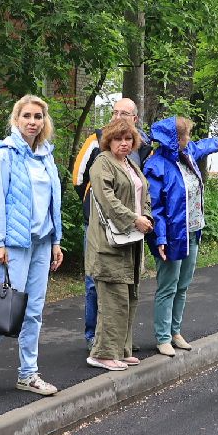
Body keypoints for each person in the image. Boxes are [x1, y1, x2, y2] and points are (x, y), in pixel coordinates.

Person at [0, 95, 66, 397]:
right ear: (16, 120)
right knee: (4, 312)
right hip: (14, 245)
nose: (33, 122)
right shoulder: (6, 154)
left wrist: (56, 241)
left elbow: (52, 203)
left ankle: (28, 374)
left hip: (42, 243)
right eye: (27, 116)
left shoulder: (47, 155)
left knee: (33, 312)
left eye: (38, 116)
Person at [72, 98, 150, 352]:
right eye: (114, 112)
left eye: (124, 113)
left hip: (132, 230)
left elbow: (141, 187)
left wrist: (141, 216)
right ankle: (93, 336)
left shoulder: (142, 148)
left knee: (126, 284)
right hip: (100, 226)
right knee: (96, 281)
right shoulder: (95, 141)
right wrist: (92, 207)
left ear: (135, 119)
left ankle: (118, 340)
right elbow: (78, 178)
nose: (117, 116)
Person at [143, 115, 218, 357]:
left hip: (193, 231)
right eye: (186, 135)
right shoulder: (156, 165)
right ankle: (163, 336)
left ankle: (175, 332)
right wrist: (161, 239)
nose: (190, 139)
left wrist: (217, 142)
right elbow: (155, 208)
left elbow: (202, 146)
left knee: (183, 285)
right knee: (168, 285)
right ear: (174, 140)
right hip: (172, 236)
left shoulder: (186, 156)